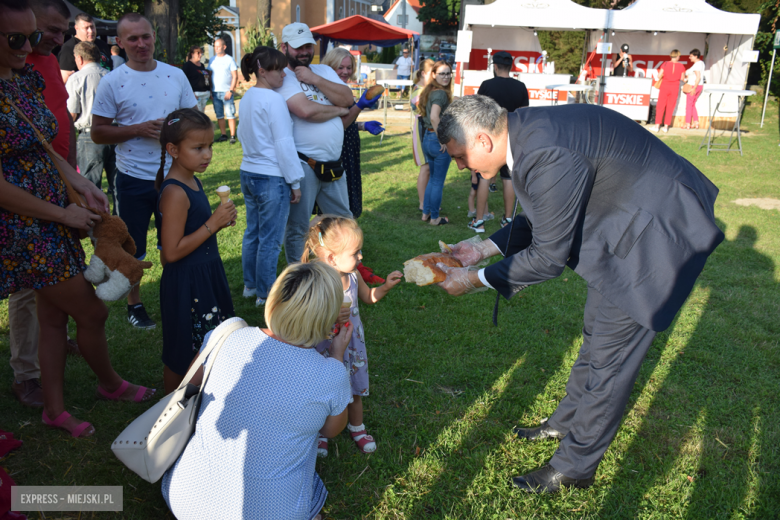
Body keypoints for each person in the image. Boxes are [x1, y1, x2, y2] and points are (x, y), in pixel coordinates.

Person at [435, 95, 724, 493]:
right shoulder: (527, 132)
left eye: (460, 156)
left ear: (483, 140)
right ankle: (565, 422)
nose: (461, 166)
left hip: (653, 239)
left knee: (610, 362)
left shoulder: (545, 150)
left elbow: (548, 256)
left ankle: (575, 467)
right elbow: (549, 215)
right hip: (627, 222)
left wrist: (475, 279)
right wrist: (482, 248)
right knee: (596, 337)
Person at [1, 0, 155, 437]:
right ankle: (110, 384)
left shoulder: (23, 78)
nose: (30, 46)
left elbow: (43, 146)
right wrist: (62, 212)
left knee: (53, 318)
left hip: (54, 214)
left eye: (33, 36)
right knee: (91, 312)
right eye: (18, 38)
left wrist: (78, 183)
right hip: (27, 226)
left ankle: (54, 409)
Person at [162, 262, 353, 520]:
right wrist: (337, 357)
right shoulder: (331, 373)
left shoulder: (226, 334)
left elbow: (188, 385)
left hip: (185, 496)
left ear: (273, 299)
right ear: (327, 319)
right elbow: (330, 430)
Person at [91, 13, 197, 330]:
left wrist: (174, 129)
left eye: (145, 36)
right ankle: (134, 304)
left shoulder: (175, 75)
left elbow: (194, 117)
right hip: (134, 177)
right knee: (133, 245)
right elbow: (98, 133)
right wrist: (137, 129)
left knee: (179, 241)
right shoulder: (112, 81)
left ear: (154, 37)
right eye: (132, 39)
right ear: (120, 43)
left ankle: (179, 297)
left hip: (176, 177)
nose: (141, 44)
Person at [9, 0, 76, 409]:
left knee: (58, 270)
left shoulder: (45, 62)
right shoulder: (15, 62)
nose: (57, 38)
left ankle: (51, 335)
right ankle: (26, 372)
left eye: (63, 31)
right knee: (26, 285)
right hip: (23, 189)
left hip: (58, 178)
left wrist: (72, 175)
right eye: (50, 30)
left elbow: (55, 118)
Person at [274, 22, 380, 265]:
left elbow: (347, 97)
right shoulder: (282, 76)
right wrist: (340, 108)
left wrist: (314, 79)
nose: (304, 52)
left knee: (345, 220)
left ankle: (346, 269)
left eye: (308, 46)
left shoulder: (323, 70)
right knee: (298, 227)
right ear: (284, 47)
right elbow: (306, 111)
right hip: (303, 164)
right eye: (298, 47)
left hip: (333, 164)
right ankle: (298, 276)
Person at [301, 216, 403, 456]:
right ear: (333, 258)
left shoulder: (354, 277)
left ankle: (357, 427)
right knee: (322, 390)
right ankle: (321, 432)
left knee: (354, 389)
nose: (361, 258)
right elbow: (306, 317)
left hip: (352, 346)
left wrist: (385, 286)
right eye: (356, 253)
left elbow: (368, 298)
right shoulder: (317, 282)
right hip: (324, 346)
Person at [156, 109, 237, 394]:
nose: (208, 155)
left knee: (209, 344)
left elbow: (194, 233)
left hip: (205, 275)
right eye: (198, 148)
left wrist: (218, 223)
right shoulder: (175, 192)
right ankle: (169, 409)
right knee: (183, 353)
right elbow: (170, 254)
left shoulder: (193, 180)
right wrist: (212, 224)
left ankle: (200, 401)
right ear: (173, 149)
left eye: (210, 146)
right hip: (187, 283)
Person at [236, 46, 304, 307]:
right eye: (279, 70)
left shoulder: (248, 97)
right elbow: (284, 143)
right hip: (270, 176)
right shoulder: (273, 99)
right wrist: (295, 182)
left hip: (249, 171)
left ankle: (250, 286)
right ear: (262, 72)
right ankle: (265, 294)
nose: (284, 75)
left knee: (253, 232)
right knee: (271, 239)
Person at [321, 47, 384, 219]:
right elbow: (338, 126)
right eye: (340, 67)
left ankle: (338, 241)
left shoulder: (342, 88)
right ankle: (338, 242)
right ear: (329, 67)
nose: (345, 71)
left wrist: (362, 126)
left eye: (349, 67)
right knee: (337, 208)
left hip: (349, 151)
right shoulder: (327, 92)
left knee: (345, 204)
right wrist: (360, 106)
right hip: (338, 153)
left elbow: (341, 122)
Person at [471, 50, 528, 232]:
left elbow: (477, 112)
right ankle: (508, 219)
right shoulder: (520, 86)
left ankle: (479, 221)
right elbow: (524, 114)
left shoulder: (486, 85)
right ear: (511, 66)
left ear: (494, 66)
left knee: (484, 178)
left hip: (489, 138)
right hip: (511, 137)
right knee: (508, 179)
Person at [66, 41, 108, 188]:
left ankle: (93, 212)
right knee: (117, 186)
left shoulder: (77, 78)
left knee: (90, 185)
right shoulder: (111, 76)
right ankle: (118, 212)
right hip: (115, 133)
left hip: (90, 135)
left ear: (79, 58)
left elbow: (71, 113)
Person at [418, 60, 453, 226]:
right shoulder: (440, 94)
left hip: (427, 139)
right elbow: (434, 116)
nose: (446, 77)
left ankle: (426, 214)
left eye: (448, 73)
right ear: (433, 75)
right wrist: (443, 138)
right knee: (437, 181)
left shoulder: (431, 90)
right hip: (436, 140)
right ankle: (435, 218)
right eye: (442, 74)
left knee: (433, 179)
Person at [58, 13, 112, 84]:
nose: (91, 31)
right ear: (76, 28)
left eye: (92, 27)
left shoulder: (102, 44)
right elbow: (64, 79)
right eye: (86, 28)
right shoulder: (69, 48)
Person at [410, 58, 434, 213]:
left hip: (426, 129)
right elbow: (424, 108)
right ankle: (422, 203)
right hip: (421, 130)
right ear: (424, 73)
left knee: (429, 168)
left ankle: (427, 202)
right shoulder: (419, 90)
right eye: (433, 73)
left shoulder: (424, 89)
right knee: (425, 167)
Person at [208, 37, 238, 144]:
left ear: (224, 47)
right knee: (219, 115)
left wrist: (231, 90)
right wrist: (210, 91)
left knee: (230, 114)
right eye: (215, 46)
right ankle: (223, 135)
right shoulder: (212, 60)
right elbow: (209, 76)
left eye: (218, 46)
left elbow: (235, 76)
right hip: (215, 92)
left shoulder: (229, 59)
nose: (216, 48)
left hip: (227, 92)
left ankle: (233, 136)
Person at [652, 49, 685, 133]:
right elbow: (682, 78)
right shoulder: (681, 66)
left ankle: (657, 126)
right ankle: (666, 127)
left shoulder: (665, 64)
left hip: (664, 86)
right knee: (670, 107)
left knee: (660, 106)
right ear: (677, 56)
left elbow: (659, 75)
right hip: (675, 87)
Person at [182, 45, 210, 113]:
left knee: (202, 114)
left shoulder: (202, 65)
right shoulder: (187, 65)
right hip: (195, 95)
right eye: (198, 53)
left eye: (201, 53)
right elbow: (184, 81)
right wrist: (191, 93)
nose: (200, 55)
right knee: (197, 115)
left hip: (205, 94)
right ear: (192, 54)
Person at [683, 49, 704, 130]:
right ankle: (696, 122)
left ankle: (687, 123)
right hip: (699, 85)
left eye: (691, 56)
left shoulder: (697, 65)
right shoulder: (701, 63)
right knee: (692, 104)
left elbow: (698, 76)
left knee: (689, 105)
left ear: (696, 56)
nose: (689, 57)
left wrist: (694, 88)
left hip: (693, 86)